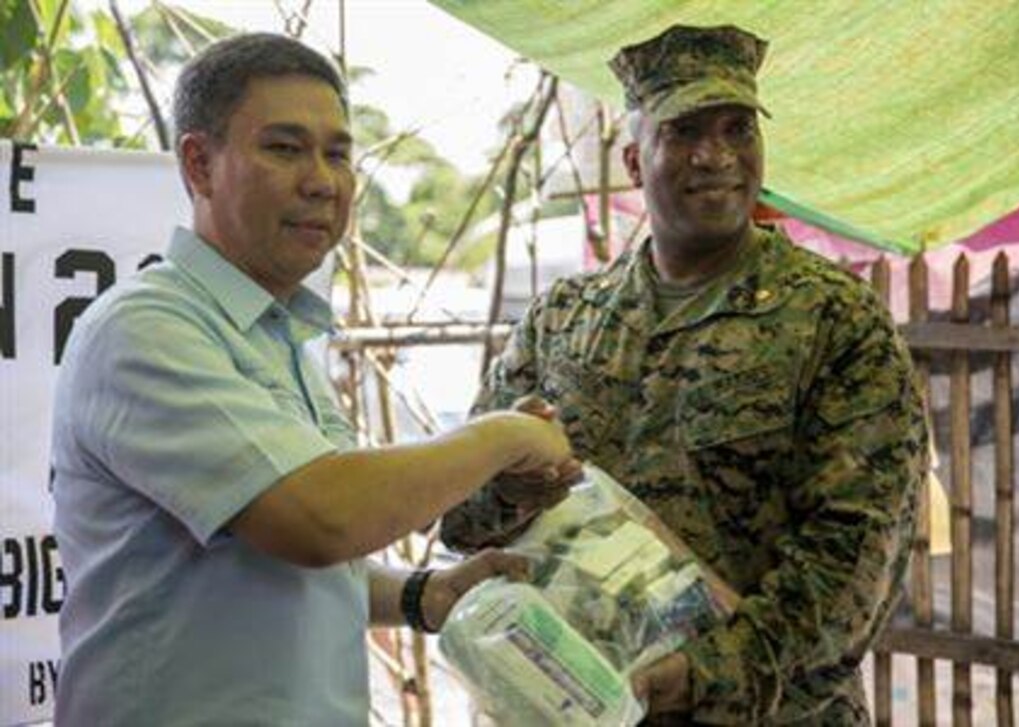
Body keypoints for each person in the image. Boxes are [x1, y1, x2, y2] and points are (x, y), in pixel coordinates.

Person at [50, 33, 574, 726]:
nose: (322, 180)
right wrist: (503, 436)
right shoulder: (146, 329)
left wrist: (422, 595)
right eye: (285, 148)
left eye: (337, 152)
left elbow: (280, 564)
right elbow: (321, 519)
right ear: (200, 164)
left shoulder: (282, 336)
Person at [441, 23, 928, 725]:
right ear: (635, 159)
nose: (717, 155)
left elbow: (855, 560)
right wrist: (511, 492)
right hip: (579, 703)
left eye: (738, 129)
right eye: (685, 131)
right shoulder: (561, 322)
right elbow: (461, 518)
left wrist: (701, 677)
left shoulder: (834, 320)